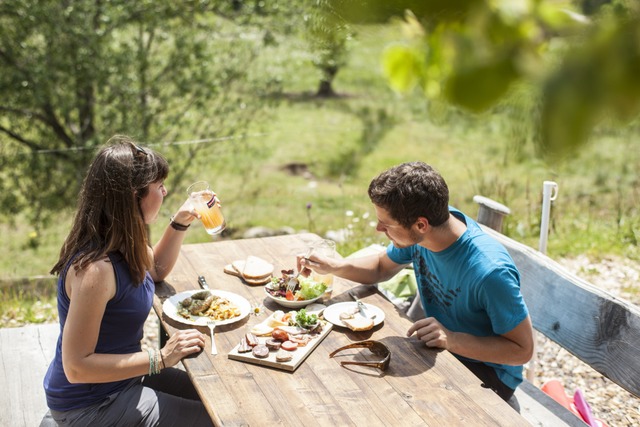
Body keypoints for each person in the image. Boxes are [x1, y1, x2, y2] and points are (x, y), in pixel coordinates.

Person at [299, 161, 534, 403]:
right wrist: (334, 265)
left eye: (386, 224)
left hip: (488, 373)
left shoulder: (490, 272)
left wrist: (452, 339)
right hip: (441, 348)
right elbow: (381, 267)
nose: (379, 228)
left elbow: (522, 350)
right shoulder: (430, 229)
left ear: (421, 224)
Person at [43, 135, 214, 426]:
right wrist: (160, 357)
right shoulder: (96, 269)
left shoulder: (122, 239)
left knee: (214, 397)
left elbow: (155, 270)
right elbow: (76, 367)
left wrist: (181, 220)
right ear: (135, 195)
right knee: (217, 420)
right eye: (159, 186)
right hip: (89, 405)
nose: (166, 190)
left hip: (123, 380)